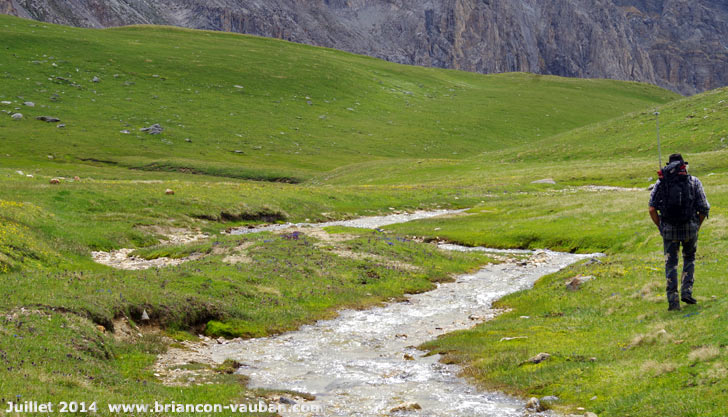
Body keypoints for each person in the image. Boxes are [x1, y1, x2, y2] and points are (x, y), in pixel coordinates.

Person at [648, 153, 710, 311]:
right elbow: (704, 207)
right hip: (690, 228)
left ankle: (673, 301)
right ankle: (687, 292)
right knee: (689, 258)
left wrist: (660, 227)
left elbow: (652, 208)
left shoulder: (661, 183)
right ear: (683, 165)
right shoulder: (693, 181)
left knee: (671, 264)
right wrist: (697, 225)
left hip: (668, 230)